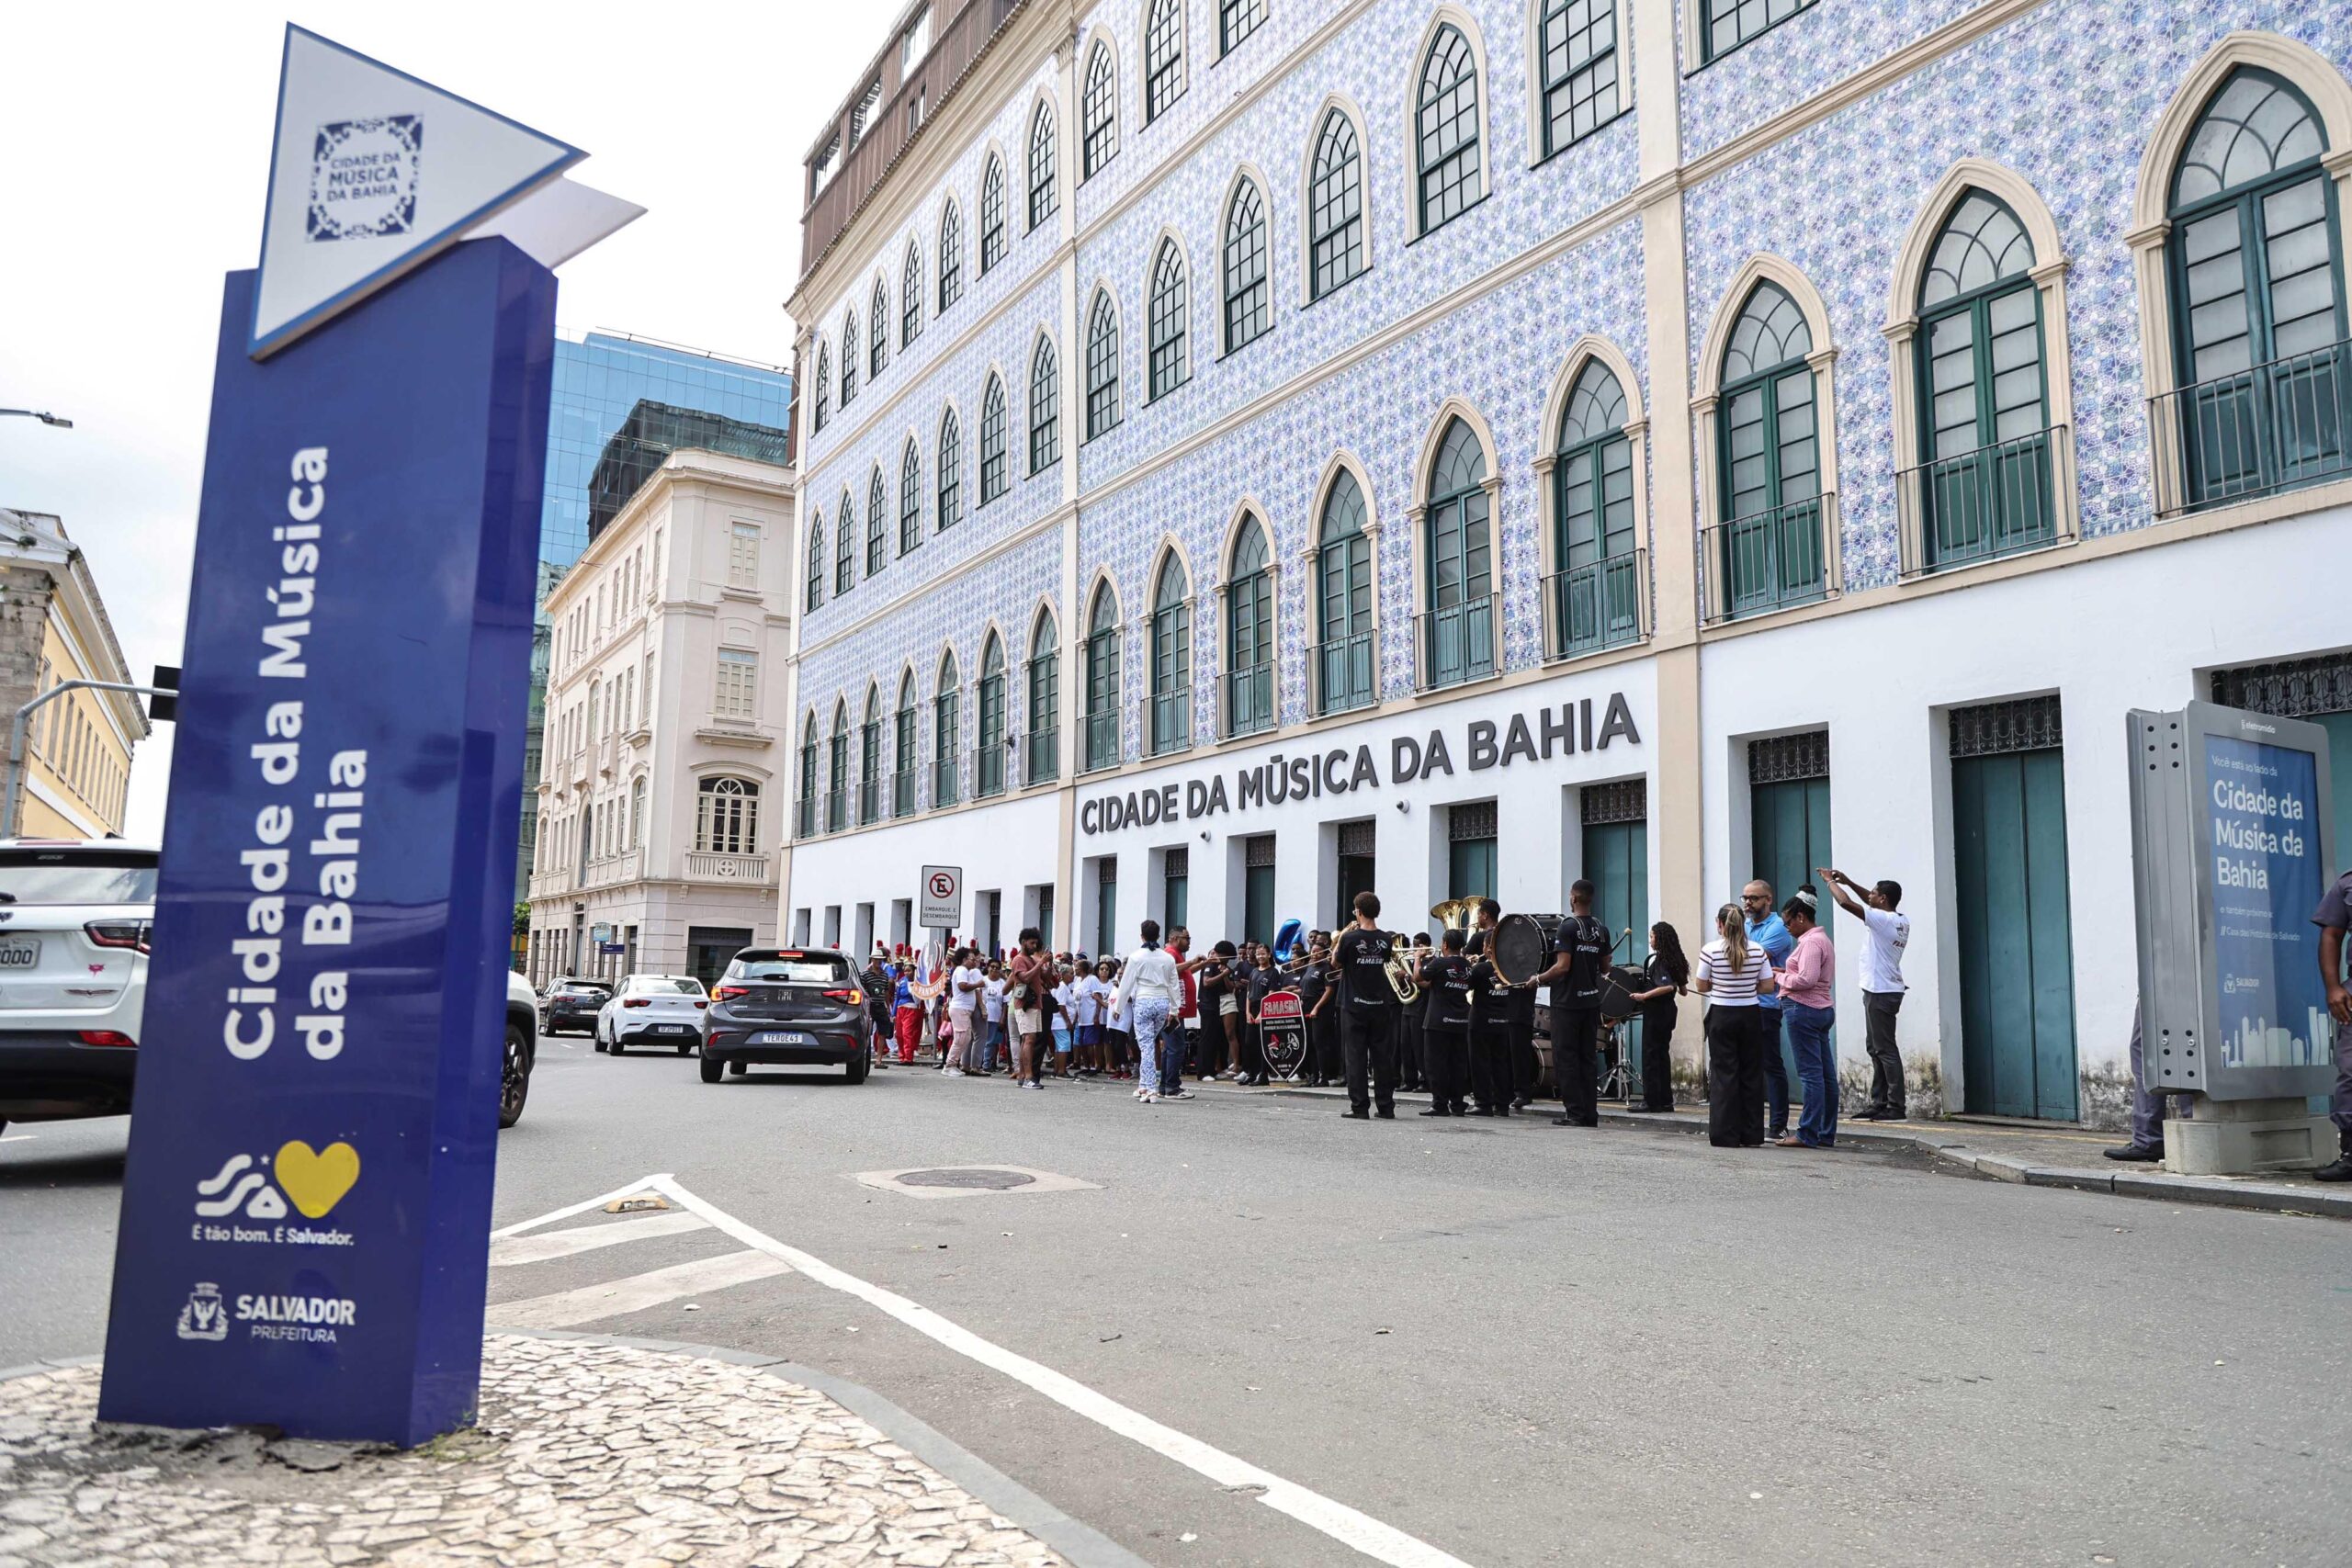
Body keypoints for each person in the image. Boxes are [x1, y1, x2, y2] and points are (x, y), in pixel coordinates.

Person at [1819, 867, 1911, 1121]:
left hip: (1881, 992)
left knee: (1885, 1049)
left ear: (1883, 899)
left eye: (1874, 893)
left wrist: (1830, 883)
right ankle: (1880, 1102)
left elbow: (1846, 903)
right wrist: (1848, 881)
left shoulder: (1884, 920)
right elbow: (1864, 900)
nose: (1869, 895)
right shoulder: (1899, 919)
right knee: (1875, 1047)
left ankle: (1895, 1106)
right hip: (1883, 989)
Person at [1697, 902, 1777, 1147]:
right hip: (1750, 1013)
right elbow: (1767, 986)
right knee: (1751, 1073)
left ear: (1720, 924)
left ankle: (1725, 1133)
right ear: (1743, 924)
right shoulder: (1757, 950)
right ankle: (1751, 1133)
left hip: (1722, 1013)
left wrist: (1721, 985)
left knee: (1724, 1074)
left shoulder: (1710, 950)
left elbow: (1701, 985)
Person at [1531, 880, 1610, 1129]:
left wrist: (1539, 979)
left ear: (1574, 899)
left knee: (1566, 1058)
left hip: (1567, 1002)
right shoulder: (1600, 928)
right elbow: (1606, 967)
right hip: (1590, 1001)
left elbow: (1562, 966)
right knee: (1587, 1058)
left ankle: (1574, 1113)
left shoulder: (1567, 927)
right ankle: (1590, 1114)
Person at [1775, 896, 1838, 1149]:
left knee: (1811, 1075)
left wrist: (1777, 979)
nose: (1786, 927)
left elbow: (1806, 980)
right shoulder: (1821, 940)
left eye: (1788, 922)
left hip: (1804, 1008)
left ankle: (1807, 1133)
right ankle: (1825, 1132)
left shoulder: (1811, 943)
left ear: (1801, 917)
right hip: (1820, 1008)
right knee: (1825, 1075)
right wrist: (1786, 973)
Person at [1333, 892, 1400, 1120]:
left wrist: (1342, 934)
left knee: (1356, 1057)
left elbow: (1335, 961)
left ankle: (1360, 1107)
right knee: (1382, 1057)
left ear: (1358, 911)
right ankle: (1386, 1107)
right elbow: (1385, 961)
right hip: (1380, 1004)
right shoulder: (1386, 939)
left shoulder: (1349, 938)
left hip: (1354, 1004)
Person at [1742, 880, 1795, 1141]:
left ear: (1768, 899)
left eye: (1754, 898)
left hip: (1767, 1005)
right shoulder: (1746, 925)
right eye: (1745, 898)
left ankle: (1778, 1124)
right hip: (1743, 1002)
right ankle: (1749, 1121)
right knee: (1746, 1065)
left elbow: (1752, 958)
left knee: (1771, 1064)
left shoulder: (1777, 928)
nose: (1748, 903)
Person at [2311, 868, 2352, 1181]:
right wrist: (2333, 987)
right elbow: (2331, 934)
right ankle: (2351, 1155)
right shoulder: (2348, 883)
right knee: (2351, 1072)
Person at [1113, 920, 1181, 1105]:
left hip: (1143, 1001)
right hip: (1162, 1002)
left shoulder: (1136, 957)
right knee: (1149, 1043)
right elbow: (1174, 984)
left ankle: (1150, 1089)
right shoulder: (1167, 958)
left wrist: (1118, 1007)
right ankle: (1144, 1084)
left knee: (1146, 1047)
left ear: (1141, 935)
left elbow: (1126, 983)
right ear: (1159, 936)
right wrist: (1174, 1009)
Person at [1626, 923, 1689, 1112]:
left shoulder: (1661, 961)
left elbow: (1668, 986)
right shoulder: (1676, 959)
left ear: (1660, 939)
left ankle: (1652, 1101)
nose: (1650, 940)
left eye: (1652, 936)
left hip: (1657, 1012)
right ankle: (1665, 1100)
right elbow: (1682, 990)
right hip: (1669, 1011)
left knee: (1651, 1056)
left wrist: (1644, 996)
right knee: (1662, 1055)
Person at [1417, 929, 1475, 1117]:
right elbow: (1434, 984)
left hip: (1438, 1022)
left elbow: (1418, 977)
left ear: (1445, 945)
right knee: (1458, 1064)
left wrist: (1418, 958)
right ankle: (1457, 1104)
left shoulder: (1439, 963)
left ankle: (1439, 1103)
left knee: (1436, 1065)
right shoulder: (1467, 966)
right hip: (1460, 1020)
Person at [1466, 939, 1516, 1117]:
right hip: (1503, 1021)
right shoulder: (1510, 968)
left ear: (1488, 948)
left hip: (1481, 1021)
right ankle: (1502, 1105)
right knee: (1501, 1063)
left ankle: (1483, 1103)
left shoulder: (1480, 969)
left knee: (1480, 1063)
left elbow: (1465, 985)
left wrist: (1469, 966)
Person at [1009, 928, 1052, 1089]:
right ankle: (1028, 1077)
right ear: (1023, 942)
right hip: (1025, 1004)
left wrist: (1048, 963)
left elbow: (1045, 979)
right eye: (1031, 942)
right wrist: (1040, 962)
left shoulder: (1033, 960)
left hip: (1035, 1004)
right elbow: (1024, 977)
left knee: (1028, 1040)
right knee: (1029, 1039)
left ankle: (1022, 1075)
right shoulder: (1019, 959)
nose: (1035, 946)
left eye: (1036, 943)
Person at [944, 948, 983, 1077]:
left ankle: (953, 1063)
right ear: (964, 960)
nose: (974, 962)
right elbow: (963, 986)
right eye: (972, 959)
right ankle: (949, 1065)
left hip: (964, 1009)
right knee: (961, 1038)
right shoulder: (961, 970)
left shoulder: (965, 971)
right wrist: (978, 984)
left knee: (965, 1038)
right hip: (960, 1008)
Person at [978, 959, 1009, 1076]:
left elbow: (1005, 1002)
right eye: (992, 966)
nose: (994, 969)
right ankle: (979, 1063)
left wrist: (1003, 1018)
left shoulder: (1003, 983)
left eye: (997, 967)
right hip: (983, 1015)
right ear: (988, 967)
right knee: (981, 1040)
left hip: (996, 1017)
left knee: (991, 1042)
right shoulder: (983, 981)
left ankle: (987, 1064)